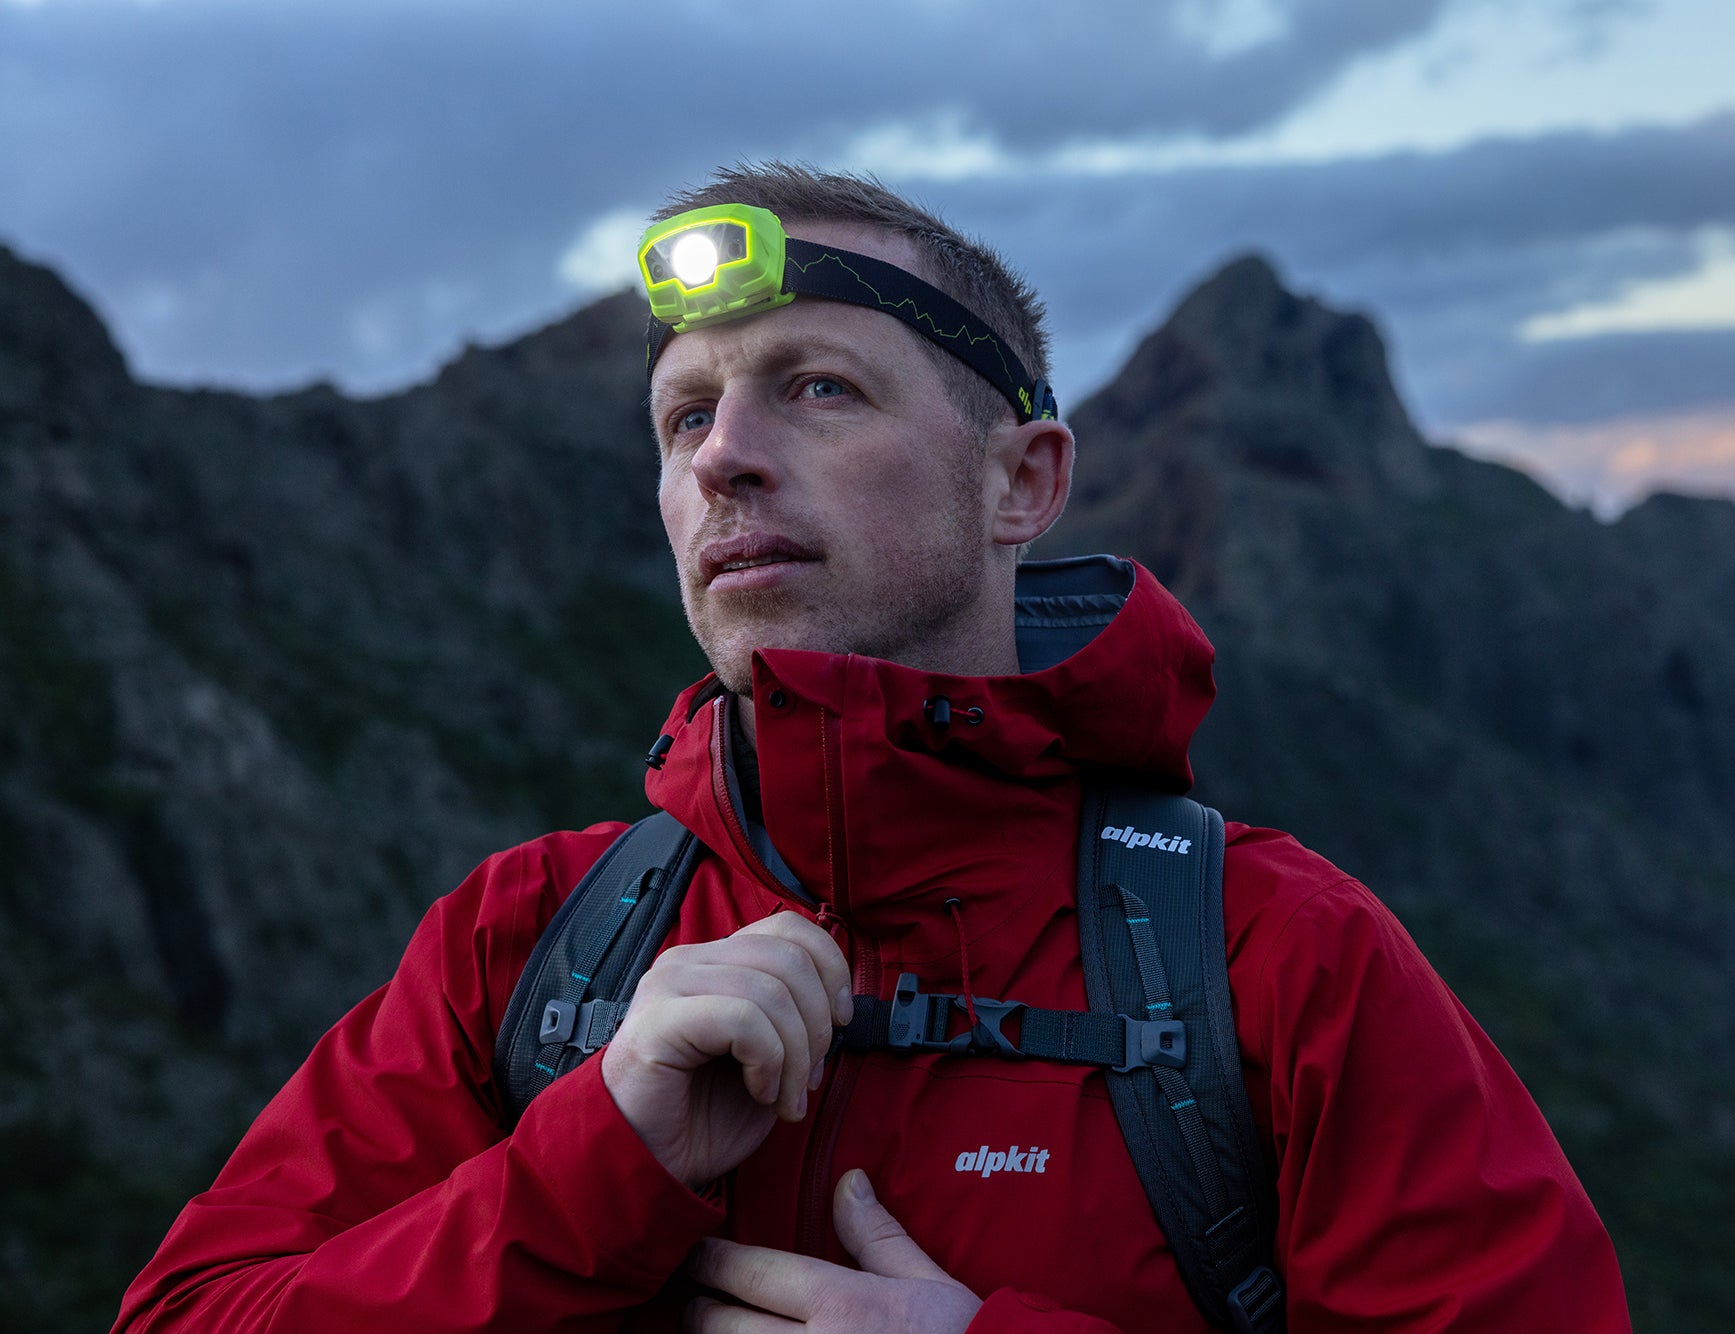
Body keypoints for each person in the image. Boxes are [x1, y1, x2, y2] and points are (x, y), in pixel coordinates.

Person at [116, 163, 1632, 1333]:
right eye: (684, 415)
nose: (723, 453)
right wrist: (593, 1161)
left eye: (818, 387)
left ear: (1021, 483)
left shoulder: (1279, 958)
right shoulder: (524, 948)